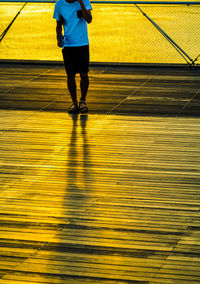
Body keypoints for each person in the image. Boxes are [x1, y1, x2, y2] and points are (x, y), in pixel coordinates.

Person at [53, 0, 92, 114]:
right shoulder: (59, 4)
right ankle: (74, 103)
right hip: (68, 45)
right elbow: (58, 24)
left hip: (82, 43)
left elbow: (89, 19)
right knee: (70, 75)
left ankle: (83, 101)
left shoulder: (84, 1)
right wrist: (58, 38)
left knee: (84, 74)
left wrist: (81, 3)